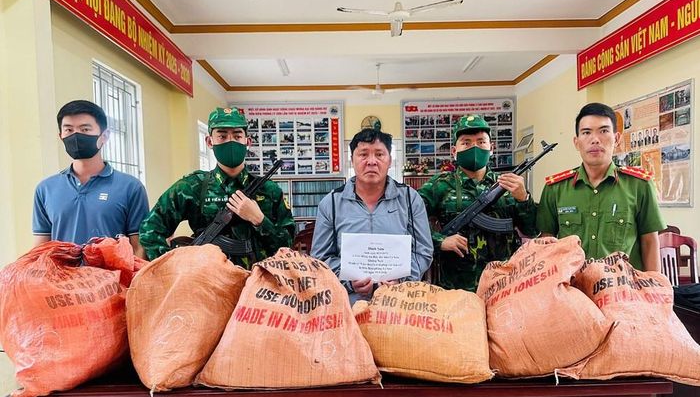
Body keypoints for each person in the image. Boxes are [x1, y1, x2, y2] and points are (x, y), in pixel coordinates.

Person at [139, 107, 294, 268]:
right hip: (206, 279)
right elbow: (150, 229)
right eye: (222, 136)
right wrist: (174, 268)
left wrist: (259, 220)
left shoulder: (269, 190)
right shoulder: (192, 187)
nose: (230, 141)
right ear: (209, 142)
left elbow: (287, 245)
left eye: (237, 136)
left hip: (257, 279)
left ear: (247, 142)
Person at [537, 102, 665, 272]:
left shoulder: (639, 185)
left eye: (603, 131)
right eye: (586, 132)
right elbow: (546, 244)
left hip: (624, 286)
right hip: (572, 286)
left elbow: (649, 242)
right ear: (576, 142)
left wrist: (654, 284)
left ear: (617, 139)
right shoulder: (555, 189)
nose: (595, 139)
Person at [310, 128, 433, 304]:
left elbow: (423, 250)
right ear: (352, 159)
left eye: (379, 154)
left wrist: (402, 280)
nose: (371, 161)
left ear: (389, 160)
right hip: (348, 302)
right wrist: (349, 282)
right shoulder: (331, 203)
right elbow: (320, 258)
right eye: (363, 154)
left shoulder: (409, 199)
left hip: (399, 302)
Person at [418, 115, 537, 292]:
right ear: (454, 151)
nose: (475, 147)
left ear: (491, 148)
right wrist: (439, 240)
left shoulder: (508, 184)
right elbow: (409, 220)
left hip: (505, 284)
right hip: (456, 287)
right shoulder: (439, 185)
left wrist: (523, 198)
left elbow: (532, 231)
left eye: (481, 142)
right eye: (466, 143)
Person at [32, 100, 149, 255]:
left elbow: (139, 248)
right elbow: (40, 249)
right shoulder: (46, 189)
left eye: (85, 129)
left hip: (113, 271)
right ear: (61, 136)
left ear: (104, 136)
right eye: (69, 130)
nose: (76, 135)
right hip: (61, 271)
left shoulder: (131, 187)